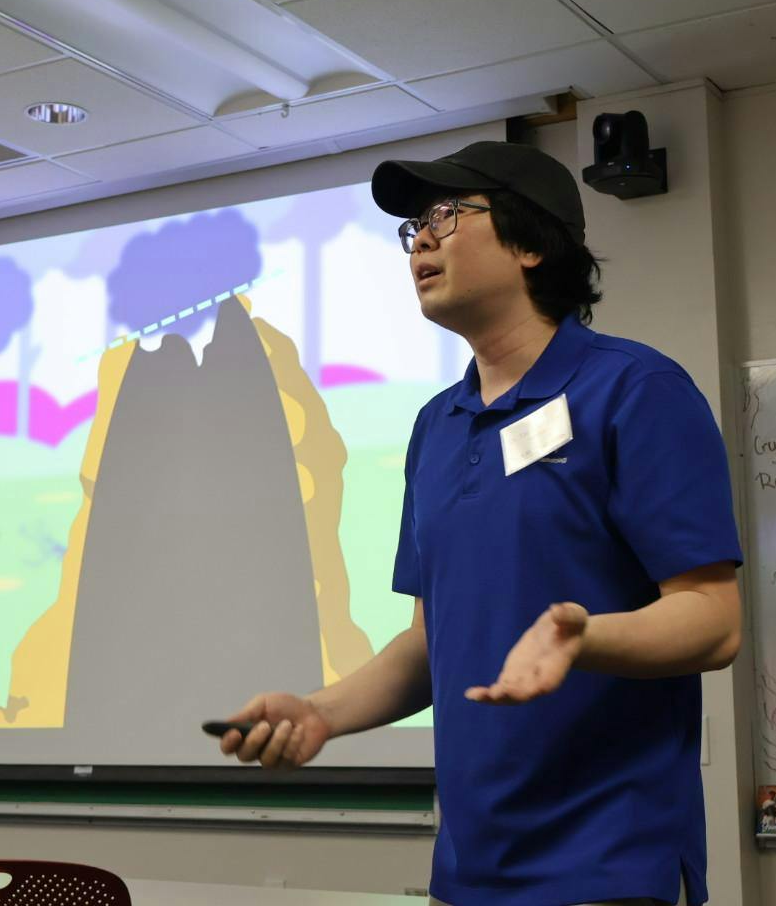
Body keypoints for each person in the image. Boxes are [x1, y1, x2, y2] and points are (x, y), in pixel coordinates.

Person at [215, 141, 743, 905]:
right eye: (412, 229)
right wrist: (320, 713)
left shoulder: (636, 390)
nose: (419, 242)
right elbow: (431, 642)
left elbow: (713, 620)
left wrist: (584, 638)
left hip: (607, 864)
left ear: (531, 244)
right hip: (466, 873)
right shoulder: (437, 425)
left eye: (444, 215)